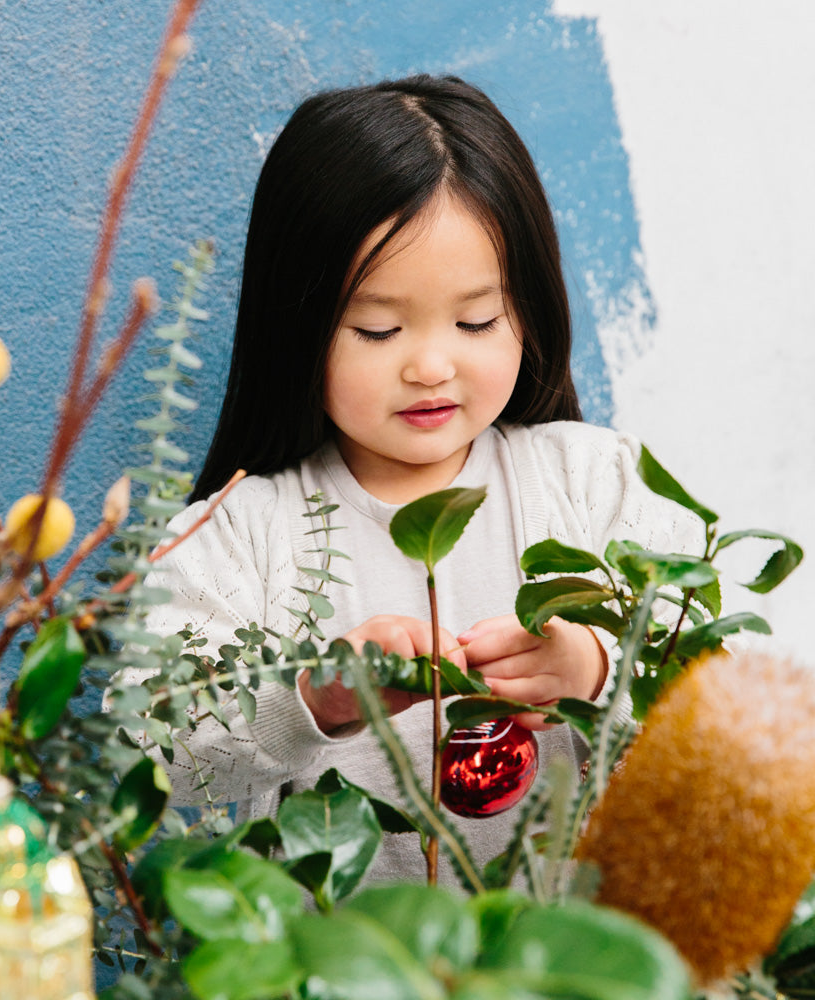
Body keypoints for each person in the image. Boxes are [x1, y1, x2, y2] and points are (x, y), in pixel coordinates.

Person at [116, 74, 702, 885]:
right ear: (299, 326)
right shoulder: (240, 531)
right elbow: (154, 748)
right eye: (379, 328)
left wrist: (597, 667)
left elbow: (708, 674)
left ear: (527, 310)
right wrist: (308, 699)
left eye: (476, 321)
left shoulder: (593, 479)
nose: (431, 365)